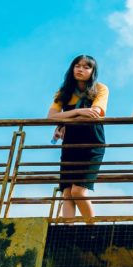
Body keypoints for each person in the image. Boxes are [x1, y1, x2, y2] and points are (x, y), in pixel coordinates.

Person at [47, 55, 108, 221]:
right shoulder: (64, 92)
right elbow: (51, 117)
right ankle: (69, 231)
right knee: (67, 192)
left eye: (86, 67)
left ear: (93, 72)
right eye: (77, 66)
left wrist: (64, 119)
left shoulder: (100, 89)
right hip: (70, 144)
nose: (80, 69)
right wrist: (78, 111)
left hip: (92, 143)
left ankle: (91, 230)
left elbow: (93, 115)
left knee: (78, 191)